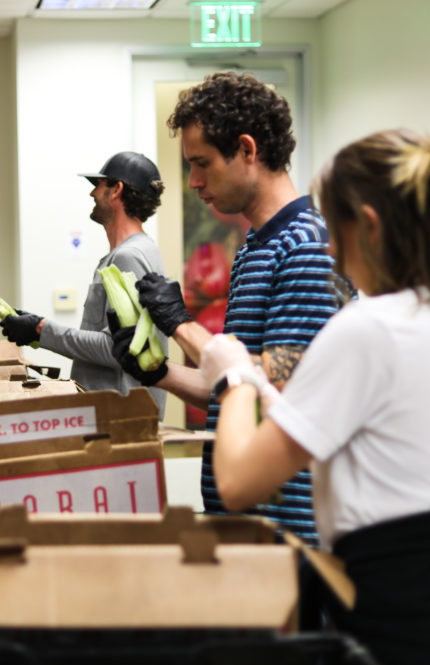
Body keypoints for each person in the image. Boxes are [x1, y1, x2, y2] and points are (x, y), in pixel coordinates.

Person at [200, 129, 430, 665]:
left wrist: (233, 376)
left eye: (336, 231)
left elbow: (238, 483)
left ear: (369, 226)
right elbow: (390, 443)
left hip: (405, 627)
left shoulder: (368, 329)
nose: (329, 249)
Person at [112, 72, 338, 544]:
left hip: (288, 530)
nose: (193, 182)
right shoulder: (255, 246)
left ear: (248, 151)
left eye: (202, 164)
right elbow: (233, 391)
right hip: (242, 523)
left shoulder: (306, 245)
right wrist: (156, 374)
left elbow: (280, 385)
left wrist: (180, 325)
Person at [0, 152, 169, 416]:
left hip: (118, 418)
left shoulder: (128, 257)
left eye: (97, 186)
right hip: (119, 414)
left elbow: (118, 350)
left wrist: (40, 329)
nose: (92, 194)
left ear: (116, 190)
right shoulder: (139, 251)